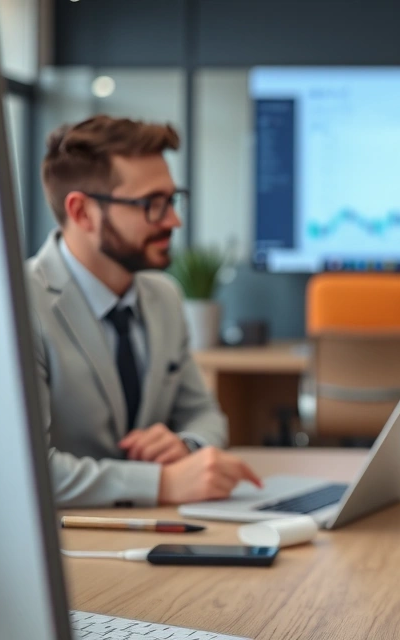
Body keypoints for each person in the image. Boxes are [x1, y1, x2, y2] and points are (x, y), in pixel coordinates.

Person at [28, 115, 262, 508]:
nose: (174, 220)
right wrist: (162, 483)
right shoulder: (20, 306)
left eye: (172, 199)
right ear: (82, 212)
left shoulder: (164, 297)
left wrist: (186, 446)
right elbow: (29, 470)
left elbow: (204, 414)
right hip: (68, 539)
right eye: (151, 204)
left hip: (151, 530)